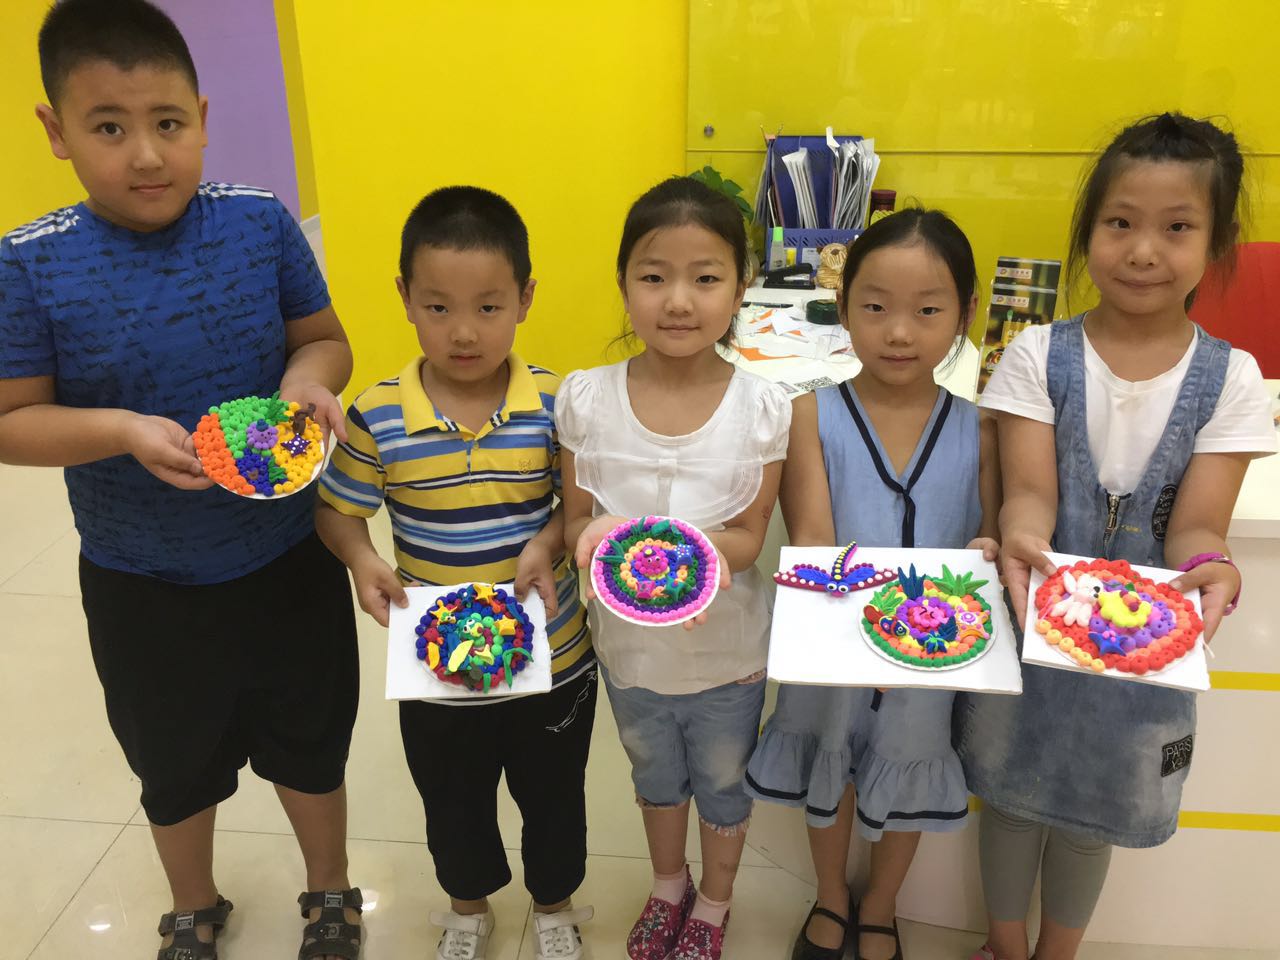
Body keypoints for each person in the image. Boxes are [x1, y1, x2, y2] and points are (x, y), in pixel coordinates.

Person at [0, 2, 364, 958]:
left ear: (201, 116)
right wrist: (118, 431)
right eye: (108, 127)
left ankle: (330, 888)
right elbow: (11, 421)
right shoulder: (28, 264)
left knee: (311, 738)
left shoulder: (258, 221)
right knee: (171, 760)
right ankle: (194, 904)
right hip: (140, 579)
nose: (147, 154)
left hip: (286, 553)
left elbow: (325, 341)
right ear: (55, 131)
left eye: (168, 122)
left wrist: (305, 382)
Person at [956, 112, 1277, 960]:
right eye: (1120, 223)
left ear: (1215, 243)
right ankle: (1003, 946)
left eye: (1177, 228)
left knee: (1090, 820)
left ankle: (1056, 954)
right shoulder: (1036, 354)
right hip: (1030, 624)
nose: (1142, 251)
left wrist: (1211, 567)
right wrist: (1022, 540)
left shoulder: (1232, 378)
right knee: (1009, 799)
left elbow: (1198, 524)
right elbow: (1029, 495)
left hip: (1145, 649)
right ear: (1088, 231)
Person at [316, 186, 596, 960]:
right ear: (405, 298)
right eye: (438, 308)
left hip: (554, 655)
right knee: (452, 799)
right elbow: (337, 510)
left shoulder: (559, 402)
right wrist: (363, 558)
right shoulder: (377, 413)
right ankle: (467, 907)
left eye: (488, 307)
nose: (464, 332)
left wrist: (547, 539)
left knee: (554, 797)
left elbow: (582, 507)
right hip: (439, 660)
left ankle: (554, 905)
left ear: (525, 299)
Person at [745, 209, 1000, 960]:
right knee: (826, 757)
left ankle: (882, 904)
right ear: (843, 304)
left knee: (910, 765)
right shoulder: (809, 413)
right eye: (876, 306)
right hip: (832, 641)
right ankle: (831, 894)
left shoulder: (982, 428)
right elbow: (813, 539)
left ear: (965, 312)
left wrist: (983, 557)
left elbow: (987, 538)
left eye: (928, 311)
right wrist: (865, 634)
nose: (899, 332)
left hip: (932, 652)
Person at [558, 176, 791, 960]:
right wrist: (597, 538)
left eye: (706, 277)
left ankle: (714, 902)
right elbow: (576, 520)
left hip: (727, 652)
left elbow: (750, 535)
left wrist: (686, 561)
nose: (679, 301)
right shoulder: (587, 399)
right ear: (624, 283)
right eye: (654, 276)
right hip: (630, 652)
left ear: (740, 287)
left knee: (723, 779)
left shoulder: (762, 406)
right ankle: (668, 886)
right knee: (654, 771)